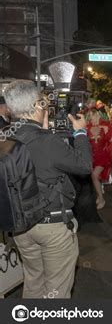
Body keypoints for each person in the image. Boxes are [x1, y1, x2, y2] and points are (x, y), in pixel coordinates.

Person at [3, 80, 92, 298]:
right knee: (56, 291)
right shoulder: (48, 141)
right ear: (36, 106)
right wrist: (80, 134)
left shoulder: (4, 136)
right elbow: (84, 166)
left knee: (33, 282)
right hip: (52, 226)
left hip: (21, 225)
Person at [86, 107, 112, 210]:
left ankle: (102, 199)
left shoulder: (105, 126)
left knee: (94, 175)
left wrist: (111, 134)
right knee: (94, 177)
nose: (92, 118)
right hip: (92, 156)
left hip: (103, 156)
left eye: (93, 115)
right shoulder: (87, 127)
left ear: (98, 115)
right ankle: (99, 196)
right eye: (90, 116)